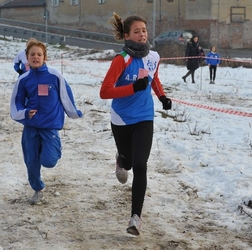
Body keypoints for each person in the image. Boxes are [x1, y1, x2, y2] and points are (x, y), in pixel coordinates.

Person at [100, 13, 172, 236]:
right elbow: (105, 92)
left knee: (141, 164)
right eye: (137, 31)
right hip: (121, 118)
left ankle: (135, 218)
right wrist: (133, 88)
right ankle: (120, 160)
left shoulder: (153, 57)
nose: (142, 34)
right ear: (127, 35)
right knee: (129, 163)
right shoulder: (121, 59)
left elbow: (153, 79)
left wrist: (161, 97)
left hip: (144, 117)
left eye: (144, 30)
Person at [10, 39, 83, 205]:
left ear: (45, 57)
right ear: (27, 58)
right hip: (31, 126)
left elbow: (65, 95)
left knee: (49, 161)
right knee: (31, 162)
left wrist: (73, 112)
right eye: (32, 54)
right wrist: (25, 113)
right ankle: (37, 189)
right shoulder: (23, 79)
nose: (36, 57)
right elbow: (17, 102)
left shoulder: (54, 75)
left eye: (39, 54)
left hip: (49, 126)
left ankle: (53, 148)